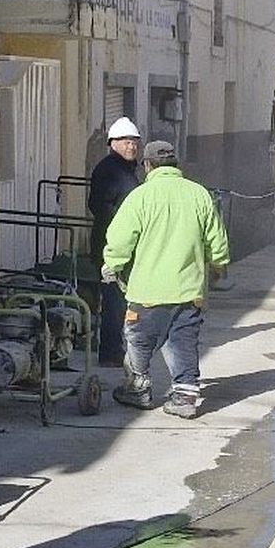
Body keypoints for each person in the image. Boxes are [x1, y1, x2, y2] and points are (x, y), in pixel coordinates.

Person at [102, 139, 230, 419]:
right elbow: (216, 239)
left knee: (139, 340)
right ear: (175, 164)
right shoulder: (199, 195)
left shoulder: (140, 197)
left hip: (146, 292)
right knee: (183, 341)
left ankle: (139, 388)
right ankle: (185, 397)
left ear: (148, 165)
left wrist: (112, 264)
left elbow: (120, 239)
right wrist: (218, 264)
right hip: (188, 292)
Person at [88, 117, 144, 366]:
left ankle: (115, 348)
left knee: (119, 300)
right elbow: (99, 206)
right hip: (110, 247)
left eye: (134, 142)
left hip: (122, 246)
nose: (131, 146)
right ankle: (110, 353)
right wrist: (123, 227)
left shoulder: (125, 171)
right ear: (113, 143)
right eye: (126, 142)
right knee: (113, 301)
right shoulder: (109, 170)